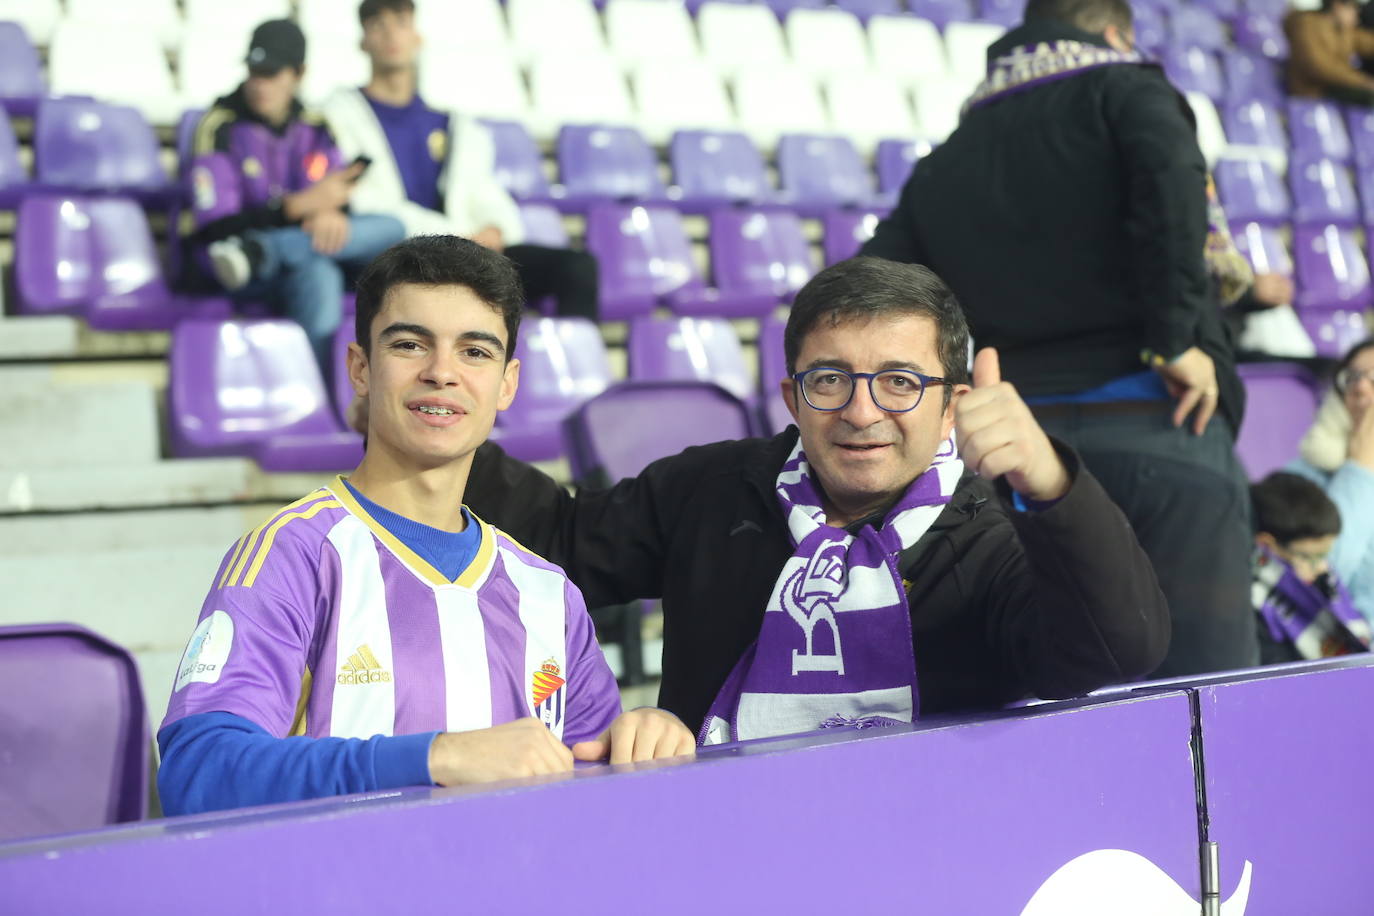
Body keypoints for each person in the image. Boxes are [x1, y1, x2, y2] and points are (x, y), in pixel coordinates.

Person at [457, 257, 1169, 744]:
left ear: (953, 406)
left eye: (899, 382)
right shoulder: (715, 490)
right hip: (718, 852)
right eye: (830, 380)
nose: (862, 412)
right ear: (791, 397)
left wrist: (1051, 486)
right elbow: (557, 537)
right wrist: (444, 425)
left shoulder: (1002, 536)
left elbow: (1116, 651)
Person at [157, 236, 693, 816]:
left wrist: (642, 737)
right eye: (411, 345)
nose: (442, 373)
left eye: (475, 352)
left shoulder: (548, 591)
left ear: (507, 384)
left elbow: (594, 788)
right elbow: (197, 772)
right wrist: (434, 760)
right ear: (360, 368)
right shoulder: (293, 554)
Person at [860, 0, 1257, 677]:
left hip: (1013, 448)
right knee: (1208, 699)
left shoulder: (948, 156)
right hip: (1157, 420)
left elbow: (877, 281)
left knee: (1049, 695)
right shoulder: (1130, 88)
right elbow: (1172, 187)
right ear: (1111, 34)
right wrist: (1173, 336)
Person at [321, 0, 600, 321]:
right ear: (363, 42)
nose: (390, 35)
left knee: (577, 267)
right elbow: (369, 204)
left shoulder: (453, 124)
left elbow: (483, 189)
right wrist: (455, 238)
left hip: (468, 250)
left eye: (400, 22)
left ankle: (579, 366)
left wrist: (494, 228)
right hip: (401, 256)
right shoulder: (339, 116)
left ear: (417, 36)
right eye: (377, 26)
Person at [187, 19, 406, 376]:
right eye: (254, 71)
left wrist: (331, 212)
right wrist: (296, 208)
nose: (259, 83)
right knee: (319, 271)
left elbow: (334, 196)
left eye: (271, 72)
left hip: (287, 252)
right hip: (230, 266)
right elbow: (214, 227)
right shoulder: (219, 126)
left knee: (392, 227)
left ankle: (263, 252)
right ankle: (323, 395)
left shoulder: (317, 126)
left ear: (299, 73)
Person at [1289, 338, 1374, 619]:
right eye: (1352, 377)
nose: (1360, 387)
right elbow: (1323, 580)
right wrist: (1359, 468)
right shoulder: (1301, 476)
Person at [1249, 472, 1369, 664]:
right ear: (1267, 544)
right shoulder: (1250, 605)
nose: (1319, 568)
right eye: (1306, 557)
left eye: (1324, 555)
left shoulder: (1324, 580)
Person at [1285, 0, 1374, 105]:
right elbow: (1321, 67)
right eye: (1353, 8)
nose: (1356, 14)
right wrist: (1364, 82)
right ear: (1338, 6)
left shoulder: (1344, 30)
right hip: (1314, 91)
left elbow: (1367, 42)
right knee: (1369, 97)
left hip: (1334, 87)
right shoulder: (1307, 24)